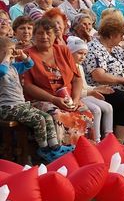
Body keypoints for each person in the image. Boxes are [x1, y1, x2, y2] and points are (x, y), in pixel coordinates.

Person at [0, 36, 72, 162]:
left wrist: (22, 55)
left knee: (47, 117)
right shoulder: (4, 68)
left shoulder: (13, 67)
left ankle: (55, 147)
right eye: (10, 52)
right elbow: (2, 71)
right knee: (38, 119)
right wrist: (6, 56)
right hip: (7, 108)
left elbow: (29, 64)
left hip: (20, 106)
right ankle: (43, 150)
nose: (12, 56)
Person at [23, 17, 94, 145]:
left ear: (55, 35)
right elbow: (28, 86)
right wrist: (54, 99)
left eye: (48, 33)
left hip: (68, 98)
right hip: (43, 99)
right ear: (33, 36)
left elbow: (77, 78)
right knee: (59, 115)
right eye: (40, 33)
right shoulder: (26, 55)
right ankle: (63, 154)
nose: (44, 36)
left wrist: (76, 100)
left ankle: (85, 150)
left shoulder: (63, 50)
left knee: (86, 113)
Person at [67, 36, 114, 141]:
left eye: (85, 54)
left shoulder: (79, 67)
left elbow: (85, 86)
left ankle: (109, 138)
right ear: (70, 52)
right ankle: (96, 140)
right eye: (79, 53)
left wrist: (97, 88)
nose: (83, 57)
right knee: (96, 110)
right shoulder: (68, 67)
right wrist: (92, 92)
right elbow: (75, 91)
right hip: (78, 97)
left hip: (85, 94)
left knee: (108, 107)